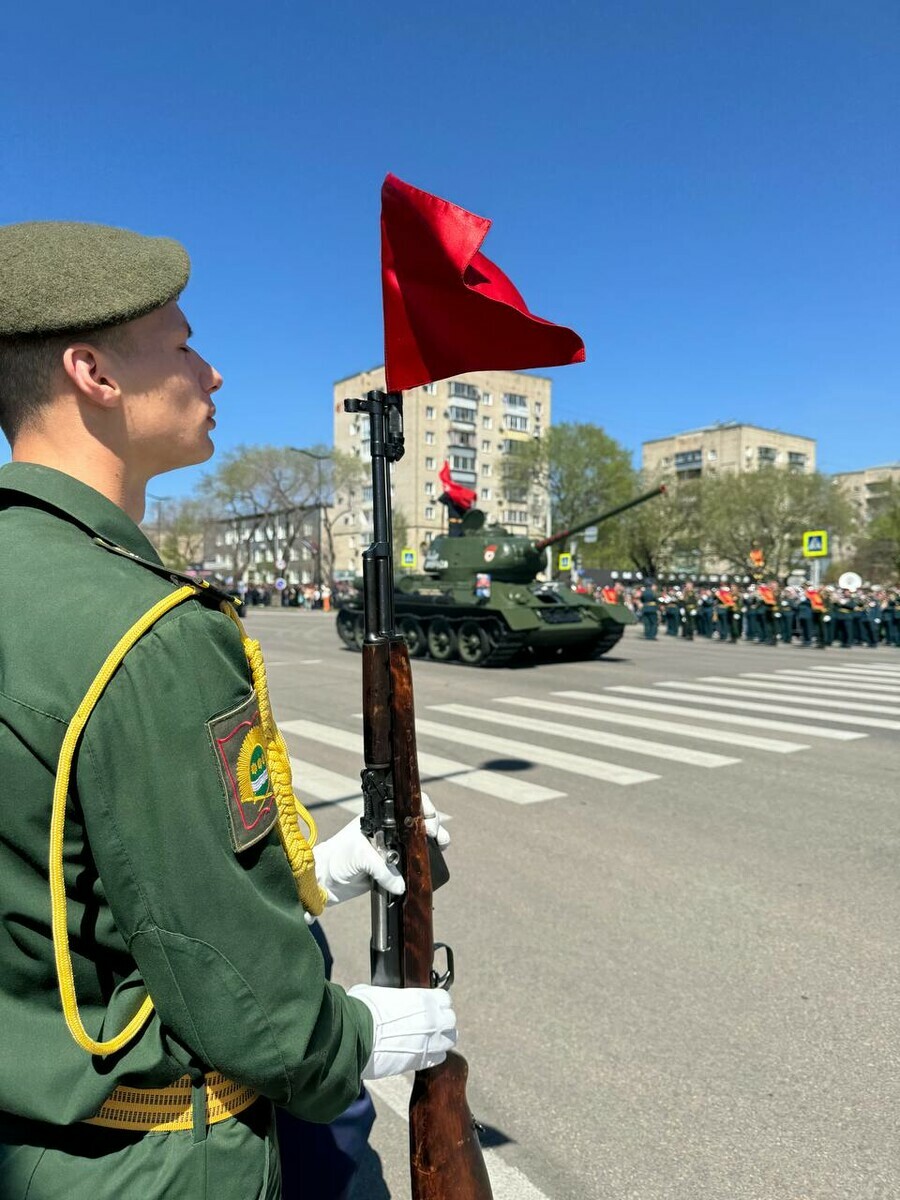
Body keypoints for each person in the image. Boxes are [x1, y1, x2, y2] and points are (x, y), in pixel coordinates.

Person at [0, 221, 456, 1199]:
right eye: (183, 345)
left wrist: (310, 868)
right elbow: (246, 1001)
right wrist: (357, 1035)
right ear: (93, 373)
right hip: (149, 1154)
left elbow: (68, 861)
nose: (213, 375)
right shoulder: (145, 624)